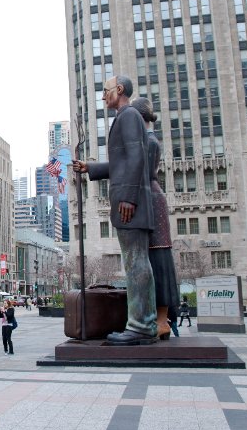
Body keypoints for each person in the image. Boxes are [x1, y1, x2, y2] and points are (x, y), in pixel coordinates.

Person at [72, 74, 157, 345]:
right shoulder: (126, 117)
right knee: (136, 261)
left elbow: (136, 158)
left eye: (106, 90)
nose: (103, 95)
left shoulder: (129, 115)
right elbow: (122, 163)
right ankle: (143, 323)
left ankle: (141, 326)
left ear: (119, 90)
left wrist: (129, 198)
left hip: (130, 203)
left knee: (135, 262)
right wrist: (91, 167)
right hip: (130, 200)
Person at [131, 97, 181, 341]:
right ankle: (158, 319)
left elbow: (140, 173)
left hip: (150, 200)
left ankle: (162, 320)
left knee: (159, 259)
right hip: (149, 198)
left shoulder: (148, 142)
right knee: (152, 258)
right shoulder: (147, 140)